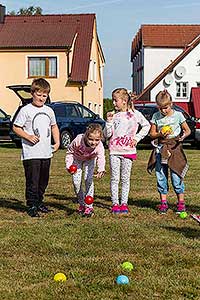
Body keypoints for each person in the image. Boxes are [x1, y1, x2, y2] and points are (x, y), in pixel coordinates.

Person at [13, 78, 60, 217]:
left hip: (46, 153)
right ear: (32, 93)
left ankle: (40, 202)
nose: (41, 98)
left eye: (44, 95)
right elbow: (16, 127)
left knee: (43, 181)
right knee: (33, 181)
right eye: (38, 95)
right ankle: (32, 204)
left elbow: (54, 126)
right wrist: (28, 136)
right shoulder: (25, 110)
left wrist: (57, 142)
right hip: (31, 153)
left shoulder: (49, 111)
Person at [104, 88, 150, 214]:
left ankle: (124, 203)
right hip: (114, 151)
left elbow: (147, 126)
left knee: (125, 178)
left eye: (115, 100)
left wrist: (137, 138)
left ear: (124, 101)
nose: (113, 103)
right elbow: (107, 135)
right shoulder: (113, 116)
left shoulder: (135, 114)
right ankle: (115, 203)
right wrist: (108, 122)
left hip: (128, 151)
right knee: (114, 178)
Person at [147, 89, 191, 214]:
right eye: (160, 108)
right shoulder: (156, 116)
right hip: (161, 148)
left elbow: (187, 130)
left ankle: (181, 203)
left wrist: (183, 136)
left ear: (171, 104)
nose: (163, 111)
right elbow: (152, 134)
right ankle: (164, 203)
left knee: (176, 176)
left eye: (165, 107)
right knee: (161, 175)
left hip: (174, 147)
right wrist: (160, 133)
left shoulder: (178, 115)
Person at [65, 123, 105, 217]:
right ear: (86, 136)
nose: (93, 142)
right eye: (91, 139)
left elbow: (101, 157)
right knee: (76, 182)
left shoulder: (99, 146)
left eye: (97, 140)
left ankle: (89, 207)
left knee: (88, 180)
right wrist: (69, 165)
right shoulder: (78, 140)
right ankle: (82, 204)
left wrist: (101, 169)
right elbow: (70, 152)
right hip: (77, 159)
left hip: (90, 160)